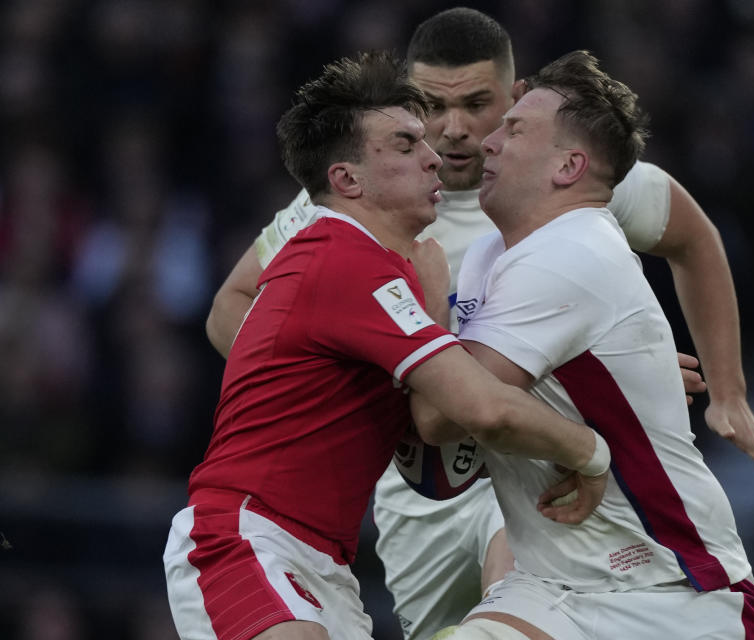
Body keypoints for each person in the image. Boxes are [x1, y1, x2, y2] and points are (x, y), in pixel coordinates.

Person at [203, 8, 754, 638]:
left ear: (514, 98)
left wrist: (726, 391)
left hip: (525, 467)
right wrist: (373, 380)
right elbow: (234, 308)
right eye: (430, 108)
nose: (456, 131)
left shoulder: (575, 185)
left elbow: (695, 239)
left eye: (481, 107)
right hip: (423, 480)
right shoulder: (353, 203)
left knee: (516, 560)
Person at [162, 50, 613, 640]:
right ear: (348, 180)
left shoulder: (375, 267)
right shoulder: (339, 255)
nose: (435, 159)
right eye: (405, 146)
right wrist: (591, 449)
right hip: (245, 534)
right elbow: (481, 405)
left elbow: (438, 412)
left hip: (325, 563)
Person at [415, 49, 754, 640]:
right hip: (552, 588)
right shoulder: (491, 252)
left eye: (514, 128)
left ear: (568, 166)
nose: (489, 141)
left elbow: (445, 411)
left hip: (669, 595)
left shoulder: (568, 254)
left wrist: (424, 313)